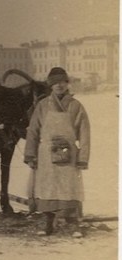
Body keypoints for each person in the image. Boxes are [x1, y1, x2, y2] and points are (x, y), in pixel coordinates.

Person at [24, 67, 90, 237]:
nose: (59, 86)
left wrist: (83, 157)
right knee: (48, 188)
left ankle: (74, 225)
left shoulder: (76, 106)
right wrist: (31, 154)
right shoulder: (43, 105)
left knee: (70, 187)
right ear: (50, 86)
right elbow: (33, 131)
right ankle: (47, 224)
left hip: (69, 154)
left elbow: (84, 133)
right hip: (46, 155)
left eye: (62, 82)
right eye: (55, 83)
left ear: (67, 84)